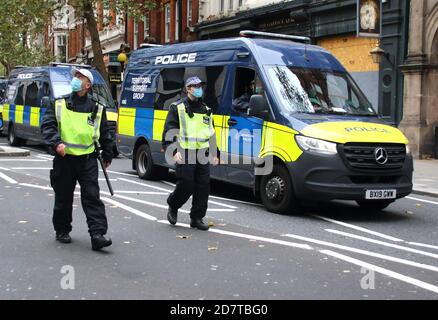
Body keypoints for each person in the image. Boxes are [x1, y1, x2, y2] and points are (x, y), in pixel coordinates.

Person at [41, 68, 114, 251]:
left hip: (87, 159)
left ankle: (97, 235)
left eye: (80, 77)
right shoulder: (59, 104)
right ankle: (62, 230)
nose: (76, 79)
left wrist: (108, 153)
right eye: (75, 76)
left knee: (92, 197)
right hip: (64, 159)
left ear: (87, 85)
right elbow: (48, 126)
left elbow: (105, 133)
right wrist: (56, 144)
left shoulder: (97, 108)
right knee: (63, 197)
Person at [162, 76, 221, 231]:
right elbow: (169, 130)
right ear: (188, 89)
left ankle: (197, 218)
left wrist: (215, 153)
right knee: (187, 183)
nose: (199, 88)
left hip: (202, 152)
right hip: (184, 151)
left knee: (203, 187)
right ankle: (173, 204)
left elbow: (211, 133)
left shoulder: (207, 110)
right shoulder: (177, 107)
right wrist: (173, 150)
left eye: (200, 85)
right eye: (195, 86)